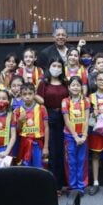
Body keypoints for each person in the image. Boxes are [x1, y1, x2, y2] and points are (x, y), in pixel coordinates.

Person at [36, 57, 69, 194]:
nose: (56, 68)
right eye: (53, 65)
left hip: (64, 117)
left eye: (58, 65)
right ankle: (53, 186)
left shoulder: (65, 82)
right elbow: (36, 97)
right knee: (52, 152)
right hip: (49, 118)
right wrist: (44, 102)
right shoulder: (44, 82)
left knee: (63, 152)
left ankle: (62, 184)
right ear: (49, 67)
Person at [62, 76, 90, 194]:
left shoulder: (86, 101)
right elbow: (67, 121)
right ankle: (72, 187)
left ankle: (81, 186)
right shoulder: (65, 101)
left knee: (82, 160)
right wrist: (75, 136)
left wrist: (83, 135)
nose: (75, 87)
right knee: (71, 161)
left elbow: (87, 119)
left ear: (81, 87)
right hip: (70, 136)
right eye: (73, 85)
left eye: (78, 85)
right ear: (69, 87)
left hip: (82, 136)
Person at [14, 84, 48, 168]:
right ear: (21, 95)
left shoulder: (42, 108)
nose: (27, 96)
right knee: (25, 169)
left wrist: (46, 147)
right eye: (24, 94)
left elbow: (47, 128)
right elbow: (17, 130)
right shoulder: (18, 110)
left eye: (30, 94)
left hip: (38, 143)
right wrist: (20, 121)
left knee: (39, 168)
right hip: (24, 143)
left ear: (34, 94)